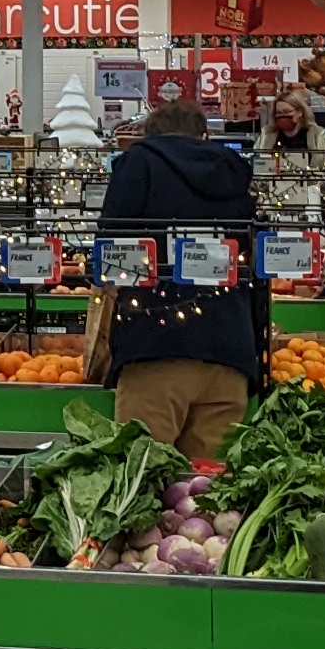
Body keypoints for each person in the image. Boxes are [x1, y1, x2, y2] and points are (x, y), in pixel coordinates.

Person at [95, 98, 259, 458]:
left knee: (143, 474)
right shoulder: (232, 169)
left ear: (148, 133)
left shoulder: (137, 163)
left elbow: (111, 243)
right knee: (207, 485)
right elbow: (249, 251)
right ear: (204, 134)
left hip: (155, 344)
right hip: (229, 347)